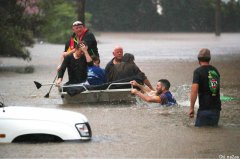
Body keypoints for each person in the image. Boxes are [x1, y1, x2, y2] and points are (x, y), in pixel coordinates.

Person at [189, 48, 221, 127]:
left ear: (198, 60)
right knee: (213, 131)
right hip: (216, 108)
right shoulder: (215, 71)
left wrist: (191, 108)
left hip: (204, 108)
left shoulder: (198, 71)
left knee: (199, 133)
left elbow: (194, 91)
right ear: (209, 59)